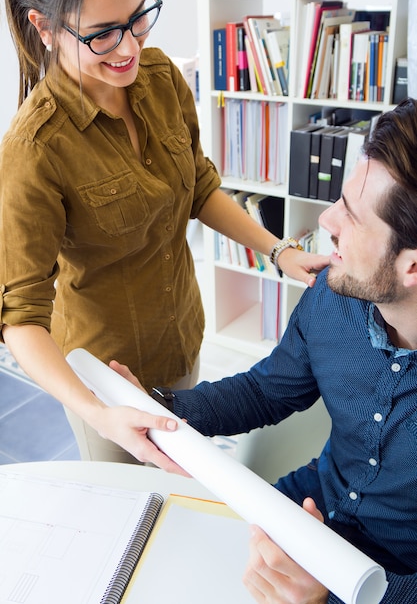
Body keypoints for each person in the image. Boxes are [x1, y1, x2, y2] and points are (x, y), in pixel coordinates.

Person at [0, 0, 329, 464]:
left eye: (137, 18)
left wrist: (279, 250)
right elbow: (20, 318)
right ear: (45, 28)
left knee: (183, 480)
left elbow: (198, 186)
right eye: (104, 34)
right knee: (140, 509)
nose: (129, 46)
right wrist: (99, 413)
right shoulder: (34, 151)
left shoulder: (160, 77)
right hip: (108, 381)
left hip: (179, 339)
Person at [112, 97, 417, 603]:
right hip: (300, 517)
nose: (326, 220)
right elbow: (266, 390)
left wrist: (337, 591)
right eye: (338, 199)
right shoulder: (333, 298)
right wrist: (158, 408)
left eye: (353, 217)